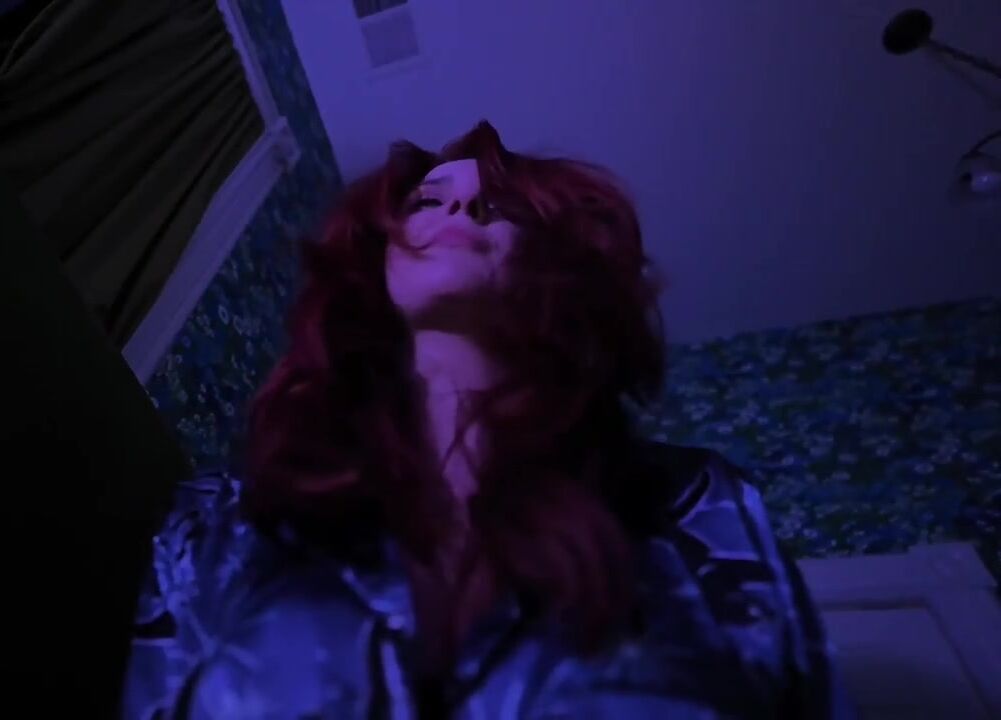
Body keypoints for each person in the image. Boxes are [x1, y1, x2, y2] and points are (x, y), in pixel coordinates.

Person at [121, 121, 855, 719]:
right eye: (426, 199)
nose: (460, 210)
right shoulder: (216, 526)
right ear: (375, 257)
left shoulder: (695, 504)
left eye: (498, 207)